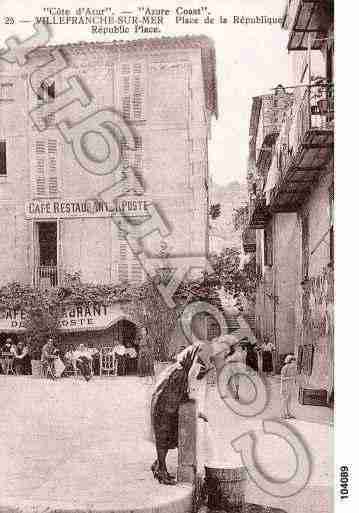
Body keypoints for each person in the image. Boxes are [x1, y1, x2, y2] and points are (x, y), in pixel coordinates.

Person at [150, 339, 231, 485]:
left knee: (172, 428)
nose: (224, 356)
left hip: (177, 383)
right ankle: (161, 470)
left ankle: (158, 464)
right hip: (172, 384)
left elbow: (197, 376)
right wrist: (191, 399)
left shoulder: (208, 353)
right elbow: (193, 373)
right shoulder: (206, 350)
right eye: (225, 353)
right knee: (164, 426)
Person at [280, 354, 297, 419]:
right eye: (293, 361)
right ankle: (283, 414)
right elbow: (282, 378)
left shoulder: (293, 368)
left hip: (290, 386)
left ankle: (288, 413)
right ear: (290, 361)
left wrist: (294, 380)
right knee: (284, 401)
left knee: (289, 401)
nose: (295, 362)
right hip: (285, 386)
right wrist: (291, 378)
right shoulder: (284, 368)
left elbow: (294, 377)